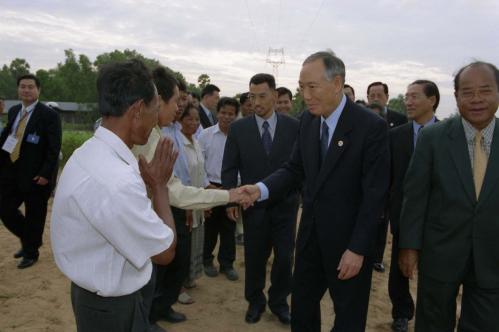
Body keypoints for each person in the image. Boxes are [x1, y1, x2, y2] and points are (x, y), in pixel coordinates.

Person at [241, 51, 390, 331]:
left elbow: (375, 195)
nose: (305, 96)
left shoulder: (370, 127)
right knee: (304, 308)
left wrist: (357, 249)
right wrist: (260, 189)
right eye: (301, 87)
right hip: (310, 237)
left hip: (349, 244)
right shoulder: (308, 121)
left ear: (336, 83)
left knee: (348, 315)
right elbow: (294, 169)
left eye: (312, 87)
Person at [51, 59, 178, 332]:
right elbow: (165, 252)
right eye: (155, 110)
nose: (156, 120)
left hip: (95, 298)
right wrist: (159, 187)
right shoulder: (114, 180)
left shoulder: (89, 153)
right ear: (137, 111)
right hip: (112, 309)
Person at [131, 66, 248, 331]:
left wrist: (228, 194)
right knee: (150, 278)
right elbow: (174, 190)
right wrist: (229, 195)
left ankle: (152, 316)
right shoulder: (147, 137)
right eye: (177, 101)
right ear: (157, 100)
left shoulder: (156, 133)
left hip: (158, 213)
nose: (180, 109)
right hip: (150, 220)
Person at [399, 62, 499, 331]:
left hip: (492, 255)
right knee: (433, 322)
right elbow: (415, 196)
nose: (476, 99)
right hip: (440, 252)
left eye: (485, 91)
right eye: (467, 92)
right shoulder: (433, 138)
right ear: (456, 97)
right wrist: (409, 246)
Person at [222, 73, 300, 325]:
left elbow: (300, 167)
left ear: (275, 96)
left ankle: (279, 302)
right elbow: (229, 168)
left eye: (262, 96)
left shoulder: (294, 126)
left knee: (285, 257)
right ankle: (255, 302)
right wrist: (231, 199)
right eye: (252, 96)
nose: (256, 102)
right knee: (255, 258)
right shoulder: (238, 128)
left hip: (285, 205)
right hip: (252, 206)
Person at [388, 79, 440, 332]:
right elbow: (388, 178)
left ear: (432, 100)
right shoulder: (395, 136)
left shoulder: (448, 134)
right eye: (406, 96)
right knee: (399, 269)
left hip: (438, 218)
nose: (408, 101)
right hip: (402, 215)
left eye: (414, 96)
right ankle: (401, 313)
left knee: (435, 272)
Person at [0, 74, 62, 269]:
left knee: (35, 214)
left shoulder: (48, 115)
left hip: (36, 175)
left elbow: (54, 147)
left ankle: (31, 252)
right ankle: (30, 239)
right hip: (12, 171)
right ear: (18, 89)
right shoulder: (14, 111)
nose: (26, 90)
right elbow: (7, 138)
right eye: (22, 87)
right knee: (5, 209)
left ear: (38, 90)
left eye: (30, 87)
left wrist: (46, 174)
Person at [367, 81, 408, 273]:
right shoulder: (361, 117)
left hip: (391, 178)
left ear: (387, 97)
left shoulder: (399, 119)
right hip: (366, 176)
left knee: (383, 220)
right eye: (371, 95)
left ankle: (376, 257)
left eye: (379, 95)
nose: (375, 98)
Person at [199, 97, 240, 281]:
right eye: (223, 113)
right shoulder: (205, 135)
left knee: (229, 228)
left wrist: (231, 185)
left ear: (236, 115)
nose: (226, 117)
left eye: (231, 114)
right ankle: (207, 260)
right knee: (210, 228)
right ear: (217, 113)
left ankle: (227, 264)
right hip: (210, 186)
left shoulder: (240, 136)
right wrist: (208, 185)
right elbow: (200, 164)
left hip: (231, 188)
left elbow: (243, 164)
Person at [178, 103, 209, 302]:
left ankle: (189, 279)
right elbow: (179, 177)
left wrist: (207, 198)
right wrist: (188, 205)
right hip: (184, 203)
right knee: (182, 246)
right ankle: (178, 287)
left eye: (197, 119)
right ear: (180, 120)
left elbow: (202, 173)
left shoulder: (196, 142)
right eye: (189, 118)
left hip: (197, 201)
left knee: (195, 241)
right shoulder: (177, 143)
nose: (194, 123)